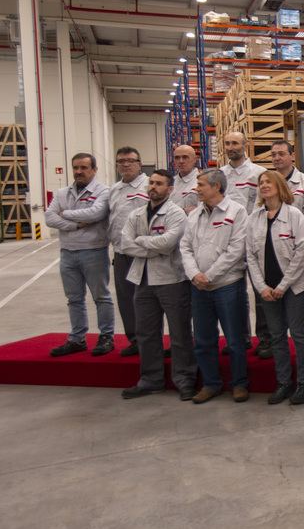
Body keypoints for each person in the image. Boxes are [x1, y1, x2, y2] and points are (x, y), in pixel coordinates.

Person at [118, 169, 197, 400]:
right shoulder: (136, 214)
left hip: (172, 280)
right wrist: (150, 246)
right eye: (151, 182)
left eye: (159, 184)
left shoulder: (177, 214)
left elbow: (167, 245)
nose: (153, 187)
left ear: (170, 189)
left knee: (179, 334)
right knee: (146, 333)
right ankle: (151, 380)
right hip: (143, 281)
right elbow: (125, 244)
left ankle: (185, 380)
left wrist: (141, 242)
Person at [180, 169, 251, 404]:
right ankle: (211, 384)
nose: (196, 188)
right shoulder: (195, 215)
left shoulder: (237, 212)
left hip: (227, 285)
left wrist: (209, 275)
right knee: (202, 339)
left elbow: (236, 250)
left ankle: (239, 384)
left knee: (234, 339)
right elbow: (185, 247)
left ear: (216, 186)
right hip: (199, 287)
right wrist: (194, 275)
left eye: (200, 184)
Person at [246, 170, 304, 405]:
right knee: (276, 336)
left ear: (280, 187)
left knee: (298, 334)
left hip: (294, 288)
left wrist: (283, 285)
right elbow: (250, 256)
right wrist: (261, 287)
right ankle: (284, 382)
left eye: (269, 182)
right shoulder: (254, 218)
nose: (264, 185)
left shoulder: (294, 215)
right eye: (261, 182)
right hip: (267, 289)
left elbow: (302, 252)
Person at [45, 153, 115, 357]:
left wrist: (64, 214)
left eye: (84, 168)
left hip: (93, 250)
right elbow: (49, 218)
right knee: (73, 299)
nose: (79, 171)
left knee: (101, 296)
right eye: (75, 167)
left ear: (94, 170)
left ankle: (106, 337)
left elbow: (96, 214)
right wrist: (76, 224)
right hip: (67, 253)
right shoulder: (62, 193)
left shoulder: (103, 191)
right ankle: (77, 338)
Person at [269, 139, 304, 359]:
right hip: (272, 248)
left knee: (303, 291)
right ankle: (273, 338)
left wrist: (292, 236)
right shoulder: (267, 181)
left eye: (281, 154)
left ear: (292, 156)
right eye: (273, 155)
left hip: (300, 246)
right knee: (271, 292)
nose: (277, 158)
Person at [221, 131, 267, 356]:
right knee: (234, 292)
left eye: (235, 143)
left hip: (254, 239)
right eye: (228, 143)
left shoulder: (259, 173)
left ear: (245, 146)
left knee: (260, 290)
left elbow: (262, 206)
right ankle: (239, 338)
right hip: (226, 242)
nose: (231, 147)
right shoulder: (218, 175)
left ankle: (265, 339)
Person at [106, 147, 149, 357]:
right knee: (125, 299)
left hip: (142, 253)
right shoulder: (114, 190)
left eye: (130, 160)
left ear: (139, 164)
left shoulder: (149, 185)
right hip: (121, 253)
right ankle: (135, 340)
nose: (125, 164)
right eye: (121, 161)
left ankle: (151, 340)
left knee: (145, 300)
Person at [171, 144, 200, 213]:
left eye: (185, 157)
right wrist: (184, 211)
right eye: (177, 158)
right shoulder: (171, 183)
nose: (181, 161)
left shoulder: (201, 182)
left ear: (194, 159)